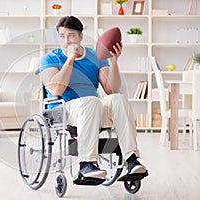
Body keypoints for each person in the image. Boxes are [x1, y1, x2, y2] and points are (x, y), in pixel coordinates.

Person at [39, 16, 147, 182]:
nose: (67, 41)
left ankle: (132, 160)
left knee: (118, 99)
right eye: (62, 36)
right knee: (91, 101)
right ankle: (86, 164)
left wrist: (114, 62)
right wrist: (70, 60)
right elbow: (56, 89)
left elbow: (111, 89)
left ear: (81, 37)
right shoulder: (50, 58)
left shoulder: (95, 56)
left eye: (71, 36)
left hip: (92, 108)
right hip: (64, 109)